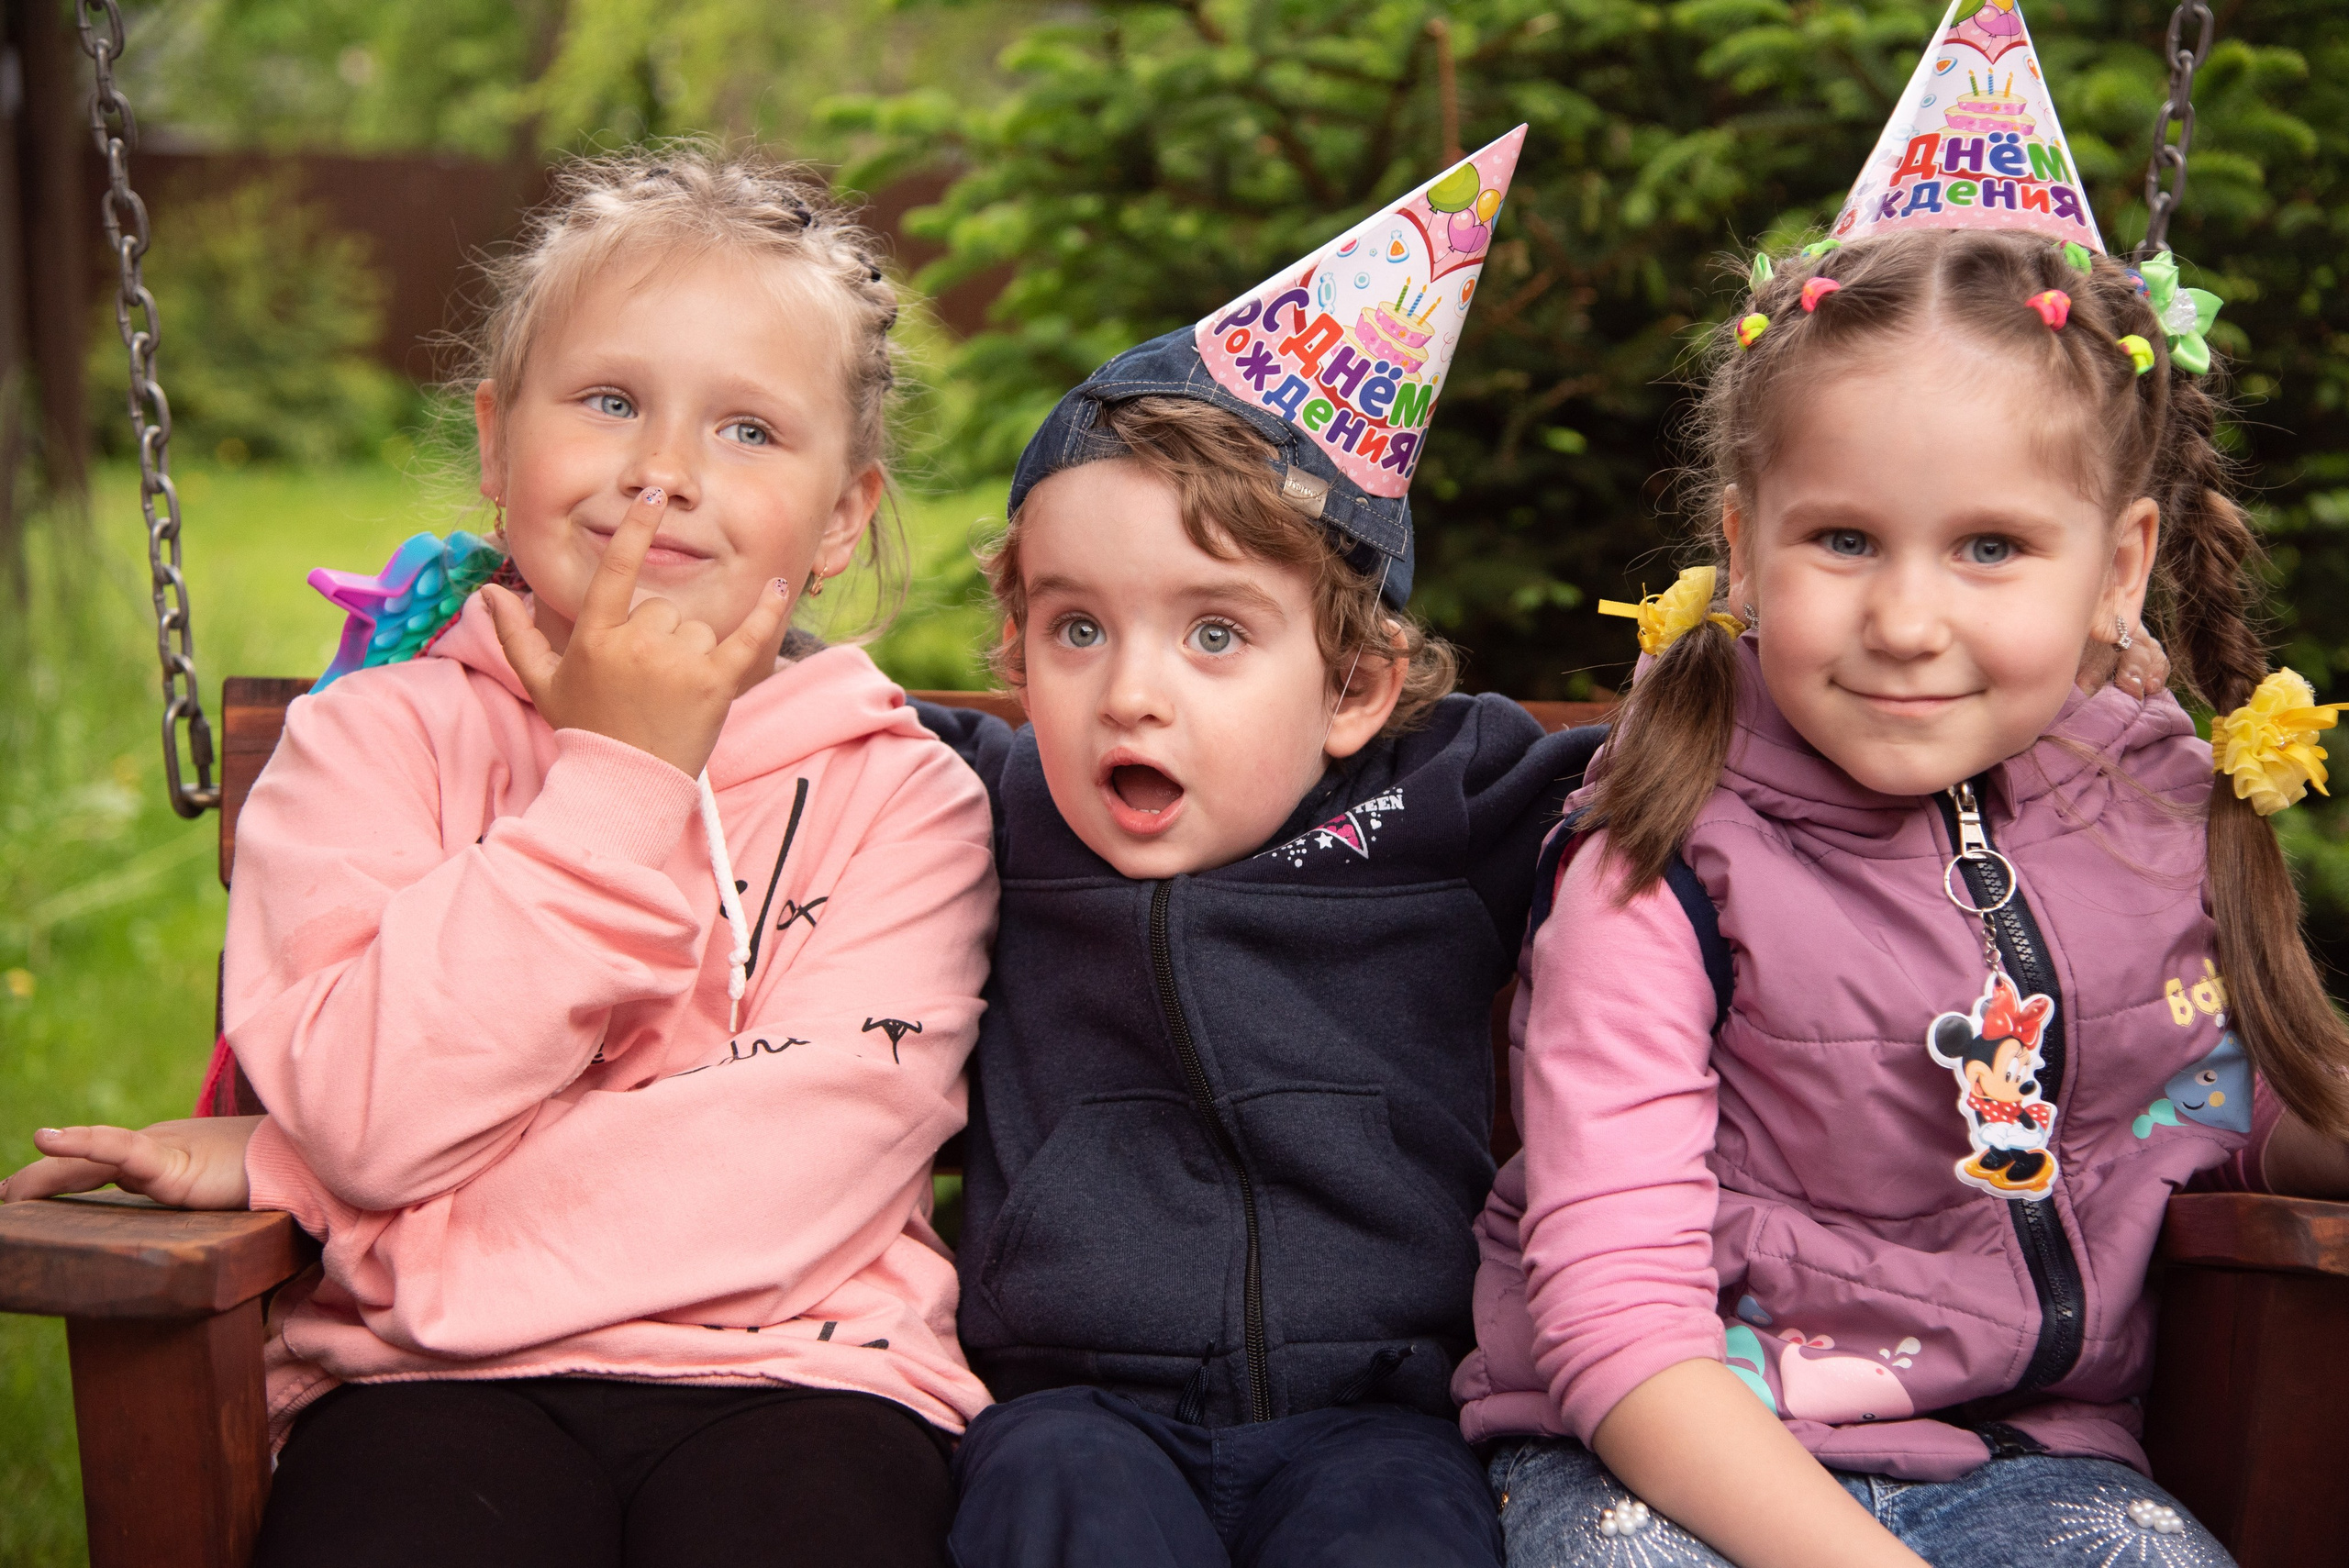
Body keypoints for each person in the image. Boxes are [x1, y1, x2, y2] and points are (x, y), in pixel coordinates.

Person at [3, 148, 997, 1568]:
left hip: (806, 1381)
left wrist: (310, 1179)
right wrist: (623, 780)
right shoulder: (369, 753)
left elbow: (776, 1189)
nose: (662, 472)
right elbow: (372, 1111)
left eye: (749, 431)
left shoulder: (902, 800)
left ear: (844, 514)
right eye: (608, 402)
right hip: (425, 1389)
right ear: (493, 442)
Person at [1452, 10, 2349, 1562]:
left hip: (2041, 1461)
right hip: (1670, 1463)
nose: (1911, 619)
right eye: (1845, 539)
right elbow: (1614, 1321)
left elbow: (2239, 1122)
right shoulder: (1655, 854)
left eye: (1992, 545)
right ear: (1742, 544)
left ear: (2116, 566)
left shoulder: (2155, 816)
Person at [914, 131, 1598, 1568]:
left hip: (1382, 1416)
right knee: (1051, 1507)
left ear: (1352, 686)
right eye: (1075, 627)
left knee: (1408, 1543)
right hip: (1071, 1399)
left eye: (1215, 632)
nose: (1133, 689)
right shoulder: (990, 803)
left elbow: (1671, 779)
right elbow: (787, 710)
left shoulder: (1447, 797)